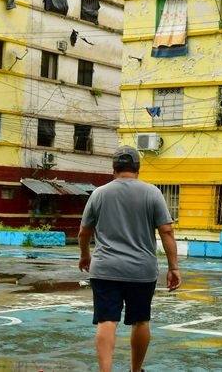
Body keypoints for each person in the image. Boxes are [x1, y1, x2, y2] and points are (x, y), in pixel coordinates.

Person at [78, 146, 180, 372]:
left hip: (105, 268)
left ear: (113, 168)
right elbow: (167, 231)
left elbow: (84, 232)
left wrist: (85, 255)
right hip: (141, 270)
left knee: (106, 321)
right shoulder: (152, 192)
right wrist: (174, 267)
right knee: (141, 320)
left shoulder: (99, 194)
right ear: (138, 169)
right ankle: (136, 370)